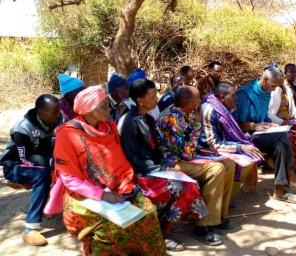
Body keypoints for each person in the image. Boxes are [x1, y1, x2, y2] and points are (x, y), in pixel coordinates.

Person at [52, 86, 166, 255]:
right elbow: (69, 177)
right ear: (88, 108)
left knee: (148, 212)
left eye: (108, 104)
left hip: (118, 186)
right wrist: (102, 195)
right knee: (111, 229)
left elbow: (119, 162)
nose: (109, 109)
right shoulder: (68, 134)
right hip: (84, 195)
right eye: (103, 105)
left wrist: (126, 184)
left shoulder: (109, 127)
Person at [119, 79, 208, 251]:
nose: (156, 98)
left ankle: (166, 229)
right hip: (141, 175)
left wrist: (168, 165)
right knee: (187, 187)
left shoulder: (148, 118)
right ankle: (164, 233)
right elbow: (135, 158)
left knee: (188, 183)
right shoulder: (130, 121)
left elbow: (160, 149)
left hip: (155, 169)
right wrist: (162, 169)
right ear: (140, 99)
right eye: (152, 96)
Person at [158, 85, 235, 246]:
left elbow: (191, 151)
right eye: (198, 98)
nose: (201, 100)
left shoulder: (190, 112)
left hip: (189, 158)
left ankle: (219, 215)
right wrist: (198, 124)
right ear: (188, 103)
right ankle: (202, 226)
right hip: (173, 163)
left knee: (229, 162)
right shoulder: (171, 118)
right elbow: (186, 153)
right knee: (216, 169)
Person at [236, 64, 296, 204]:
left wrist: (270, 124)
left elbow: (264, 116)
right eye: (273, 86)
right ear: (264, 80)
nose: (274, 89)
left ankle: (280, 190)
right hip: (246, 138)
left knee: (280, 146)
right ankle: (291, 174)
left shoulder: (267, 92)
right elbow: (238, 125)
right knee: (283, 135)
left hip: (263, 134)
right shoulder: (245, 94)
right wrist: (253, 125)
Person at [0, 95, 62, 246]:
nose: (58, 115)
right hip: (16, 165)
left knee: (59, 166)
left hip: (39, 160)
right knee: (42, 175)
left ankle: (53, 204)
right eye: (53, 112)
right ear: (40, 111)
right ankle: (30, 228)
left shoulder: (59, 121)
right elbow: (24, 158)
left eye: (58, 111)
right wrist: (50, 164)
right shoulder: (22, 128)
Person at [198, 82, 263, 195]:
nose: (236, 99)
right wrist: (241, 147)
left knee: (251, 153)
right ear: (222, 97)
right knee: (234, 162)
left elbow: (234, 131)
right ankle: (223, 199)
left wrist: (244, 145)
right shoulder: (209, 110)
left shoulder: (230, 108)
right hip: (207, 150)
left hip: (222, 145)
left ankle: (230, 197)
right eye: (233, 96)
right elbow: (213, 144)